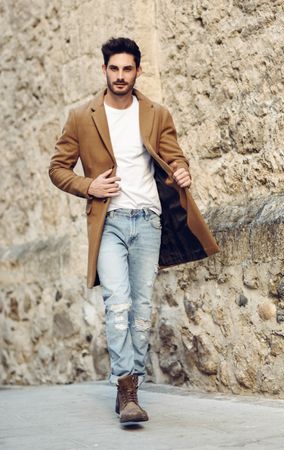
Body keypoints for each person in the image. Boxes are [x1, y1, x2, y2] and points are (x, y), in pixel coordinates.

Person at [49, 37, 219, 425]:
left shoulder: (156, 113)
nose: (120, 76)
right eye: (114, 68)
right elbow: (58, 168)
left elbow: (174, 155)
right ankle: (126, 386)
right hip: (109, 222)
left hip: (148, 220)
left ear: (138, 71)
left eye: (128, 69)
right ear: (104, 69)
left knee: (141, 307)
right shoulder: (81, 116)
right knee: (118, 303)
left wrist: (182, 170)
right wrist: (88, 186)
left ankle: (131, 387)